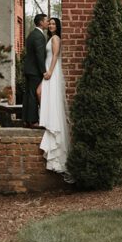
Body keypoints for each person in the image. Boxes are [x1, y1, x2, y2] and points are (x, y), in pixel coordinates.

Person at [38, 16, 70, 173]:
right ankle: (48, 121)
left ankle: (52, 124)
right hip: (49, 71)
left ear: (57, 26)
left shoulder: (56, 38)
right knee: (44, 95)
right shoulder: (50, 38)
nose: (50, 25)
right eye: (49, 23)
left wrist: (50, 71)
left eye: (53, 24)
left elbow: (55, 56)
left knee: (49, 97)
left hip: (52, 72)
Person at [22, 13, 48, 126]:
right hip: (35, 70)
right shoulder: (39, 36)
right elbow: (39, 55)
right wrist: (43, 71)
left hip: (28, 69)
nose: (47, 23)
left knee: (28, 94)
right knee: (33, 94)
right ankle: (33, 121)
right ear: (41, 22)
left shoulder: (32, 34)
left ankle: (27, 120)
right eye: (46, 21)